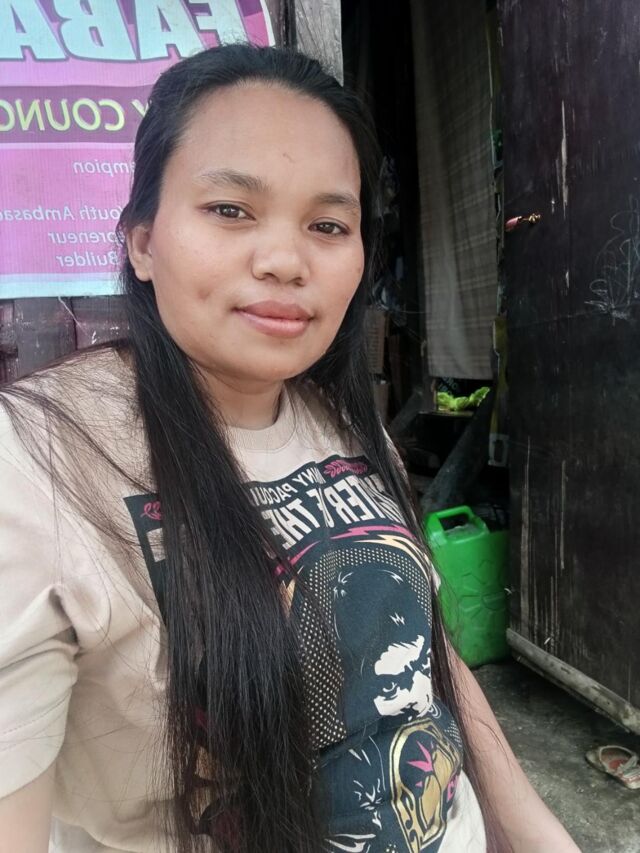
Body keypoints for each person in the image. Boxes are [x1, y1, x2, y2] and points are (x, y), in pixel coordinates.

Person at [0, 44, 579, 853]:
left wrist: (542, 836)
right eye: (230, 209)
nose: (284, 261)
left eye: (328, 224)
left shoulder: (341, 420)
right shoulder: (37, 461)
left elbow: (432, 662)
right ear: (142, 240)